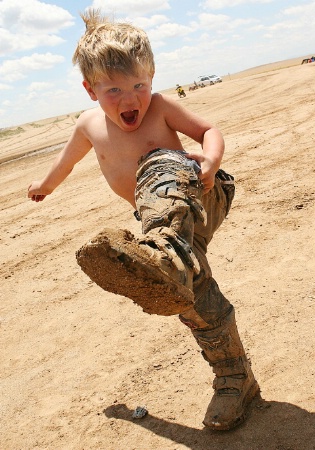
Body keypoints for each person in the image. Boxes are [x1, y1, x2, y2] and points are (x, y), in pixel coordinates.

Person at [28, 9, 259, 431]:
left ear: (152, 78)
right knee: (189, 291)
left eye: (140, 84)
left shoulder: (161, 108)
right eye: (114, 89)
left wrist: (210, 159)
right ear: (90, 89)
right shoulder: (87, 125)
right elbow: (66, 163)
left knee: (156, 164)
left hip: (203, 193)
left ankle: (168, 255)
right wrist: (44, 184)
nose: (131, 98)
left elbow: (209, 130)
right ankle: (234, 380)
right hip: (162, 223)